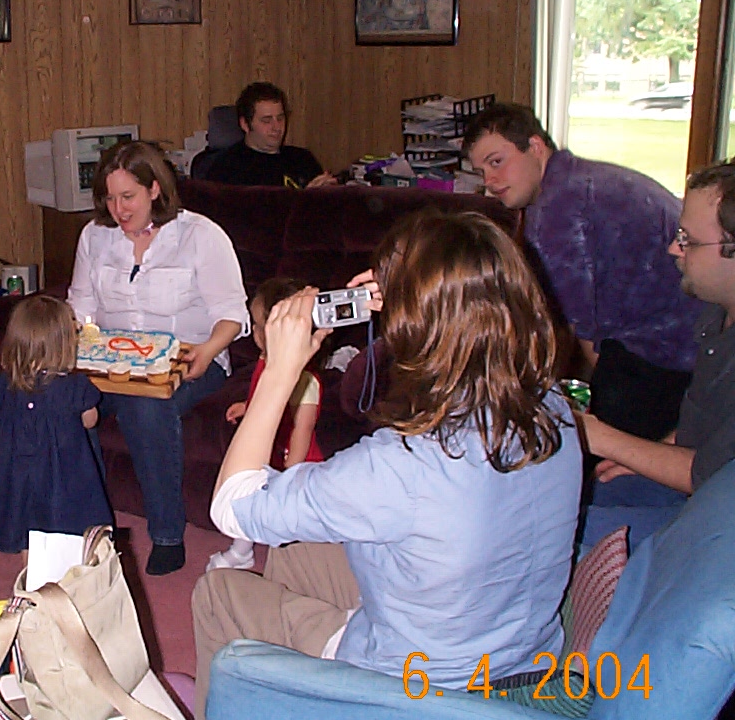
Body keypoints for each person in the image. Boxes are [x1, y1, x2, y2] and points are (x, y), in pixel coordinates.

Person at [191, 210, 582, 720]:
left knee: (219, 591)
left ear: (413, 325)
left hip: (418, 687)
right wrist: (411, 288)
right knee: (292, 554)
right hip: (517, 650)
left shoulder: (403, 464)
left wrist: (280, 372)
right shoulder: (552, 406)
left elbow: (232, 505)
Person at [463, 102, 704, 443]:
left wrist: (597, 405)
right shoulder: (589, 177)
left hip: (663, 354)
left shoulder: (556, 211)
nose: (489, 182)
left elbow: (583, 330)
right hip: (702, 338)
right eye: (481, 172)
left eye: (497, 162)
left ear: (535, 146)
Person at [69, 141, 249, 575]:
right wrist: (79, 347)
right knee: (65, 402)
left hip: (190, 359)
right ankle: (88, 527)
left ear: (154, 189)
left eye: (128, 196)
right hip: (111, 362)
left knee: (145, 406)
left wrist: (208, 351)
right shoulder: (94, 236)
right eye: (110, 198)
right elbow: (80, 306)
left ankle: (168, 535)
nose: (118, 209)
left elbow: (232, 314)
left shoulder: (200, 235)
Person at [582, 161, 735, 506]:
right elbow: (703, 431)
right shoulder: (717, 315)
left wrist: (594, 434)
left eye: (688, 241)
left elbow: (709, 475)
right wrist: (645, 456)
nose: (673, 249)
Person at [207, 276, 322, 572]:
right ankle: (241, 551)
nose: (255, 333)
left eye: (258, 325)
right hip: (267, 449)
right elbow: (266, 396)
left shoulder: (306, 382)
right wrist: (248, 406)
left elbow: (303, 429)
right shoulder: (265, 360)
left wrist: (291, 472)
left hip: (294, 460)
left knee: (282, 519)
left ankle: (293, 562)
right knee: (249, 495)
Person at [0, 294, 111, 555]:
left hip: (17, 474)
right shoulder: (75, 387)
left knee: (27, 533)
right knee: (70, 532)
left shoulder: (5, 384)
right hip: (63, 477)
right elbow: (90, 420)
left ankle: (30, 574)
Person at [205, 82, 336, 188]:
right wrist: (305, 199)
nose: (276, 127)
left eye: (280, 118)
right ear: (245, 124)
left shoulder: (303, 159)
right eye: (266, 120)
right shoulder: (226, 169)